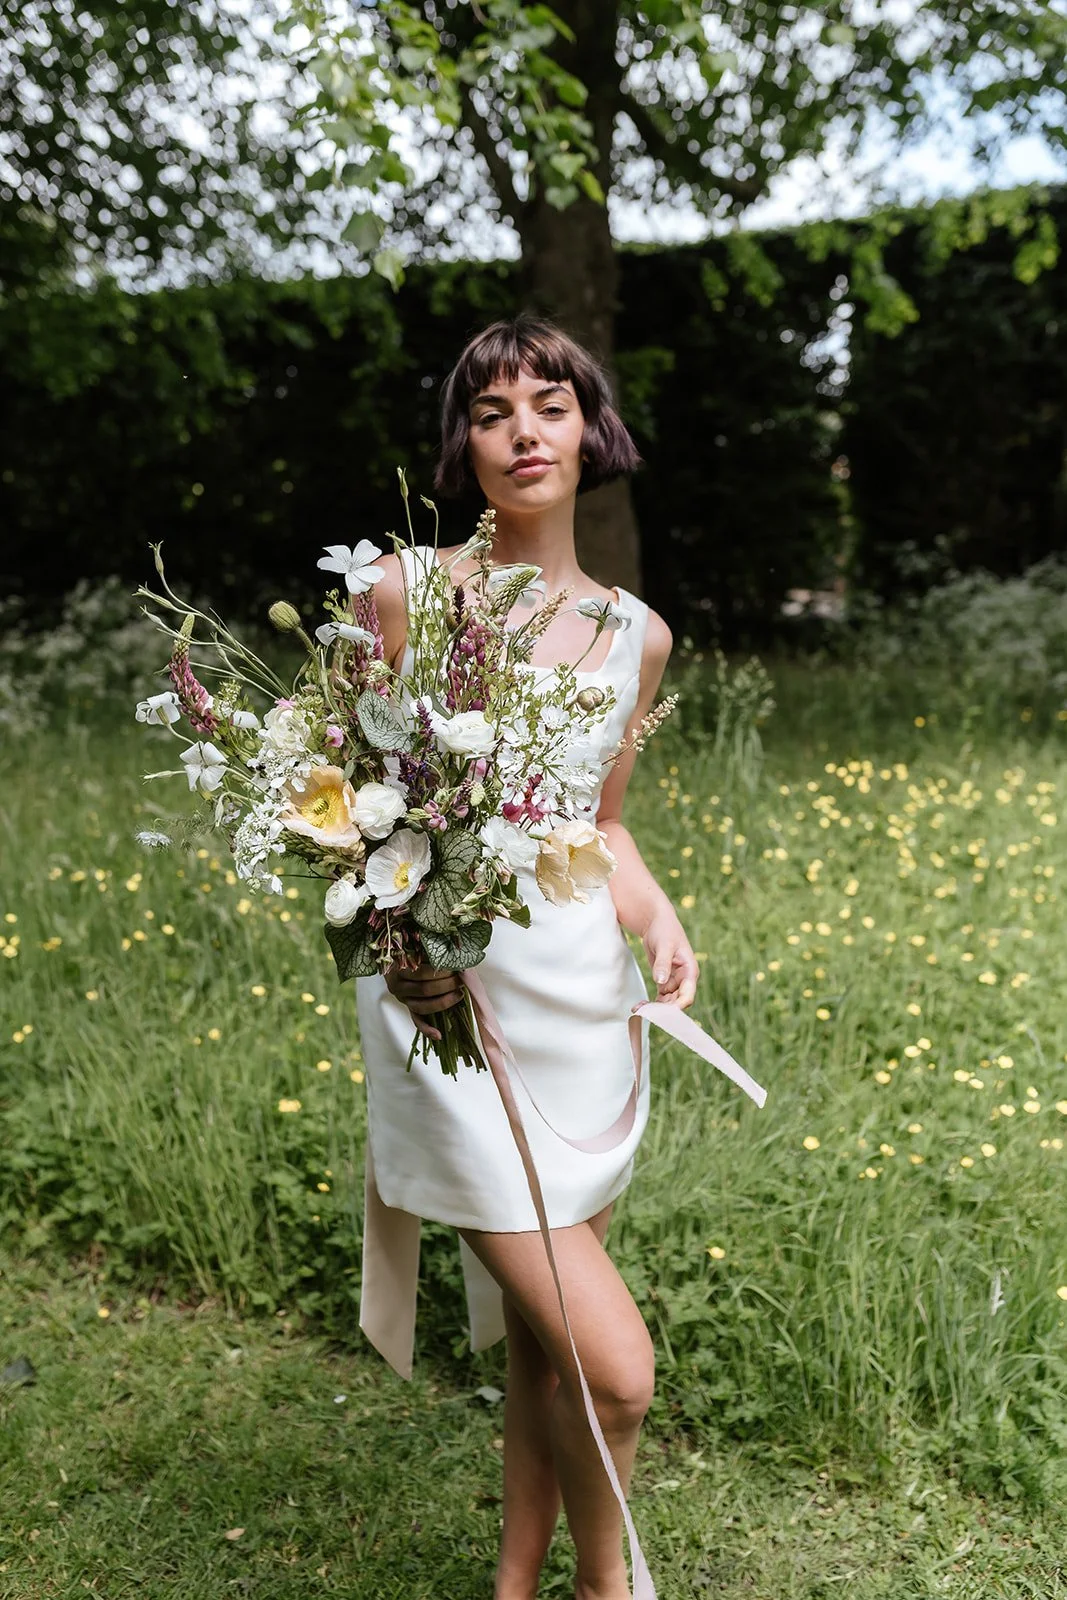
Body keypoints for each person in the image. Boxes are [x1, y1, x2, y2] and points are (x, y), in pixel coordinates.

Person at [354, 312, 699, 1600]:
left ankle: (512, 1586)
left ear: (588, 428)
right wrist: (401, 952)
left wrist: (655, 915)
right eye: (492, 412)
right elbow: (344, 811)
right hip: (452, 1022)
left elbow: (599, 826)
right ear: (465, 444)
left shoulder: (638, 636)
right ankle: (610, 1588)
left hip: (580, 1020)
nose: (522, 432)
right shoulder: (402, 595)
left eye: (548, 404)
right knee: (616, 1368)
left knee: (548, 1355)